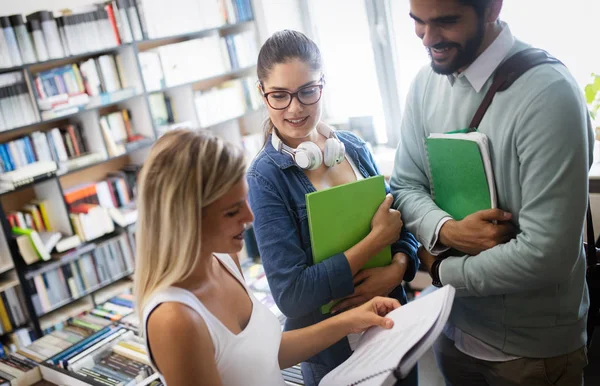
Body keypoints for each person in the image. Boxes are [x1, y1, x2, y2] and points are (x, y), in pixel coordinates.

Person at [390, 0, 592, 385]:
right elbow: (404, 185)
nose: (429, 39)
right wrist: (447, 230)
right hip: (451, 330)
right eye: (418, 22)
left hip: (531, 352)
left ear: (492, 8)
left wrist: (442, 269)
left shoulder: (549, 95)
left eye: (446, 22)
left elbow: (547, 254)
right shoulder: (425, 83)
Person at [134, 129, 402, 386]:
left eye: (245, 202)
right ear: (184, 218)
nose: (250, 219)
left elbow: (267, 352)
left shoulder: (225, 261)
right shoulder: (174, 320)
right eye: (231, 212)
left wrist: (351, 320)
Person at [247, 30, 420, 386]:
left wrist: (397, 267)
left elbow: (402, 229)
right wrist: (373, 243)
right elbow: (292, 297)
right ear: (262, 93)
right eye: (279, 95)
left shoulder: (353, 148)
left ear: (322, 85)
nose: (295, 108)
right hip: (335, 357)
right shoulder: (265, 179)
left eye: (307, 91)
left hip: (394, 331)